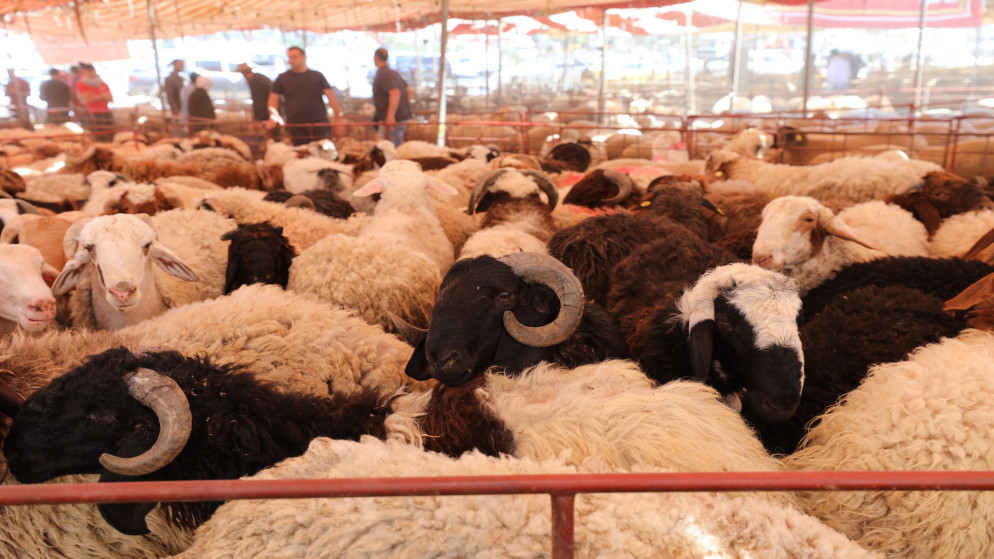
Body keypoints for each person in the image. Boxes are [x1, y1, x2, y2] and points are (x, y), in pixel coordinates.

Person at [268, 46, 343, 146]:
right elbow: (273, 99)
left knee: (324, 150)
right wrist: (273, 115)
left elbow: (331, 98)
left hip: (319, 123)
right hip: (295, 124)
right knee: (301, 152)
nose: (291, 60)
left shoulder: (317, 76)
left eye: (294, 57)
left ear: (303, 57)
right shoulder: (282, 78)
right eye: (289, 57)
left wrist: (338, 120)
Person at [371, 47, 413, 147]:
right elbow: (410, 90)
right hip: (398, 117)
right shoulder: (392, 72)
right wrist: (403, 106)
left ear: (376, 58)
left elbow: (395, 92)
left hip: (392, 119)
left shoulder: (384, 73)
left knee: (391, 147)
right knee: (394, 144)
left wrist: (391, 115)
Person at [74, 63, 114, 141]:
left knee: (110, 136)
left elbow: (110, 98)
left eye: (92, 70)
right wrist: (103, 95)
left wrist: (94, 96)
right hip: (93, 113)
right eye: (89, 71)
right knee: (97, 137)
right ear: (84, 71)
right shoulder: (81, 83)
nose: (91, 72)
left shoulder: (102, 83)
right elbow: (89, 99)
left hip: (106, 112)